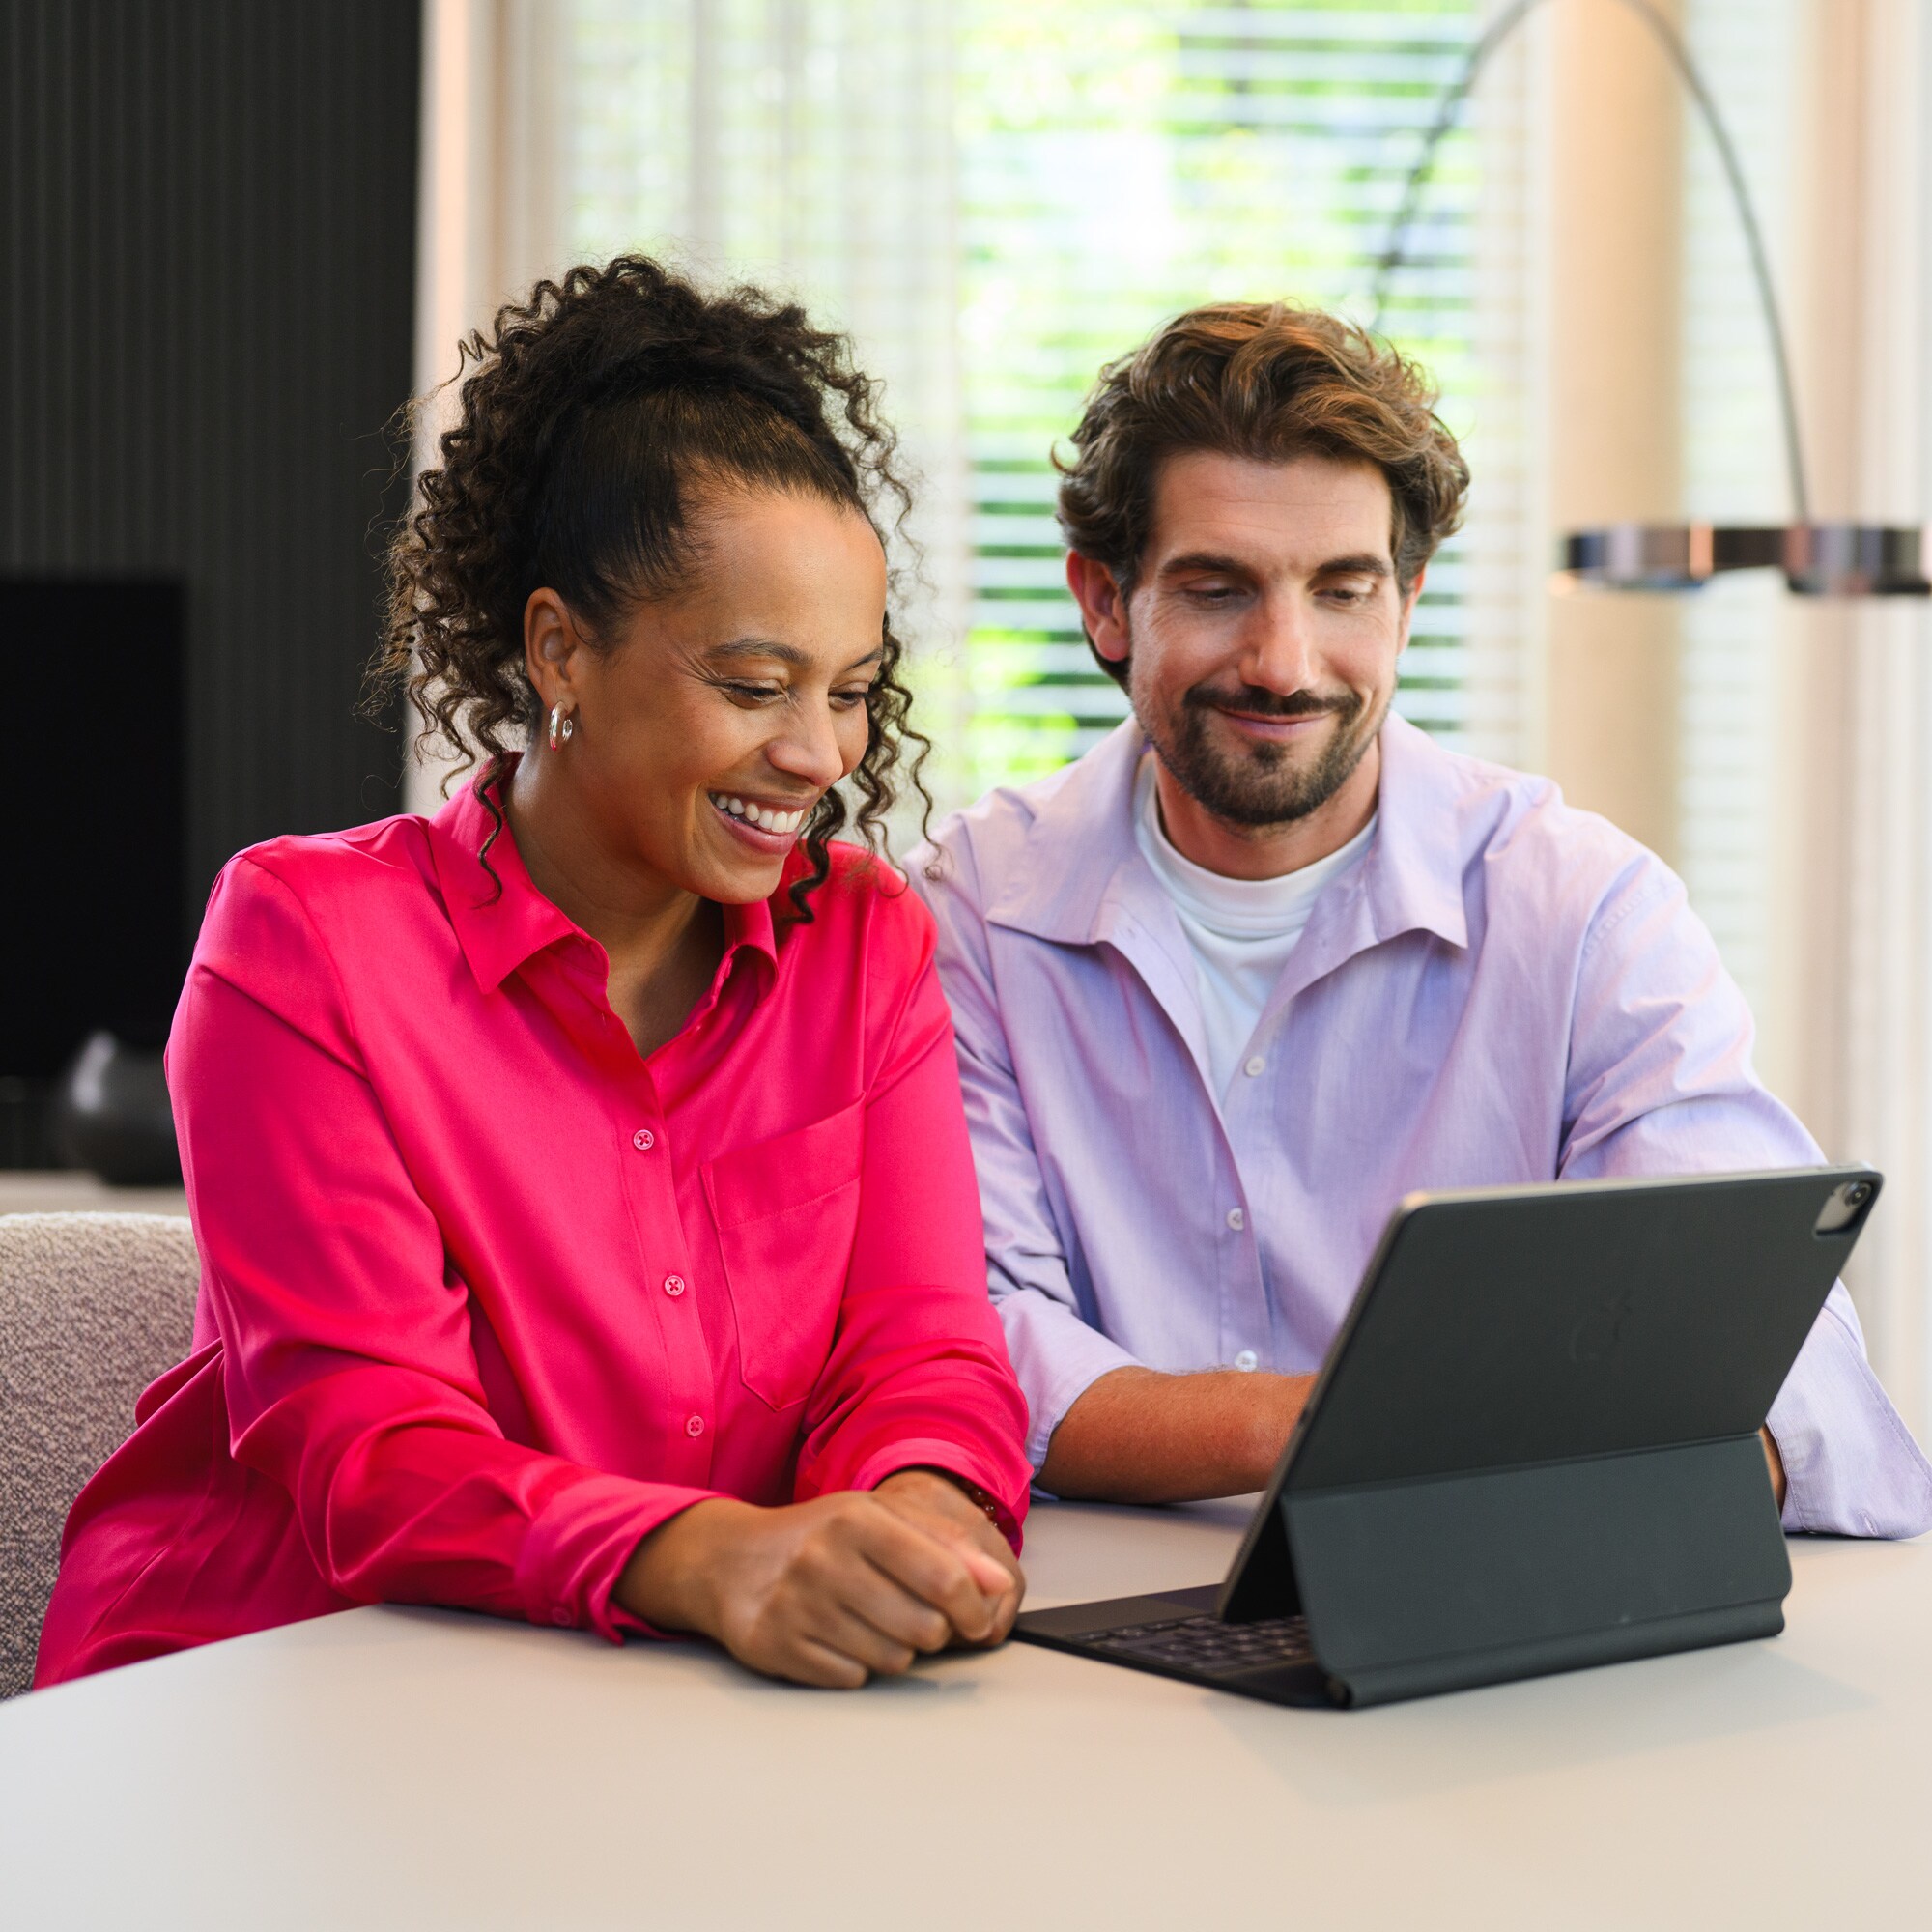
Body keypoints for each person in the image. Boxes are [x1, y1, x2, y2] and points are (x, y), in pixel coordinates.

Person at [37, 258, 1031, 1691]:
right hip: (267, 1685)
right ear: (560, 649)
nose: (820, 754)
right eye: (755, 686)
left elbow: (923, 1348)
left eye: (853, 688)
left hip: (644, 1691)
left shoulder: (862, 942)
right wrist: (710, 1558)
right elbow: (371, 1451)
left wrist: (919, 1528)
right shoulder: (305, 940)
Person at [911, 299, 1932, 1533]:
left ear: (1404, 601)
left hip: (1499, 1611)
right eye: (1218, 587)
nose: (1283, 662)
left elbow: (1775, 1350)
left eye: (1340, 589)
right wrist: (1372, 1428)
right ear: (1105, 601)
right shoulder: (971, 909)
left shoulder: (1583, 910)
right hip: (1094, 1627)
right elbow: (962, 1340)